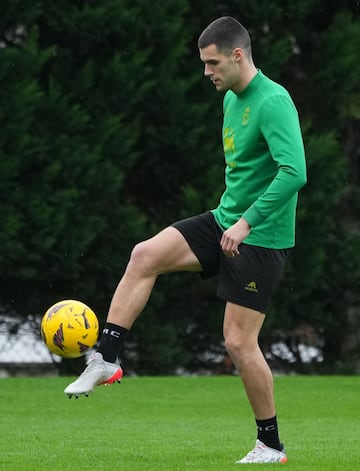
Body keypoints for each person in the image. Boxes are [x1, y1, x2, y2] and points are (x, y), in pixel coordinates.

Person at [65, 16, 306, 464]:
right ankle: (107, 359)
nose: (207, 72)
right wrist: (231, 220)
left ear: (238, 55)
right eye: (204, 64)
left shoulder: (274, 101)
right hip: (224, 221)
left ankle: (270, 445)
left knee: (237, 343)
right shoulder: (231, 99)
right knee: (145, 255)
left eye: (213, 62)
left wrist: (247, 223)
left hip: (261, 236)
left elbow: (295, 172)